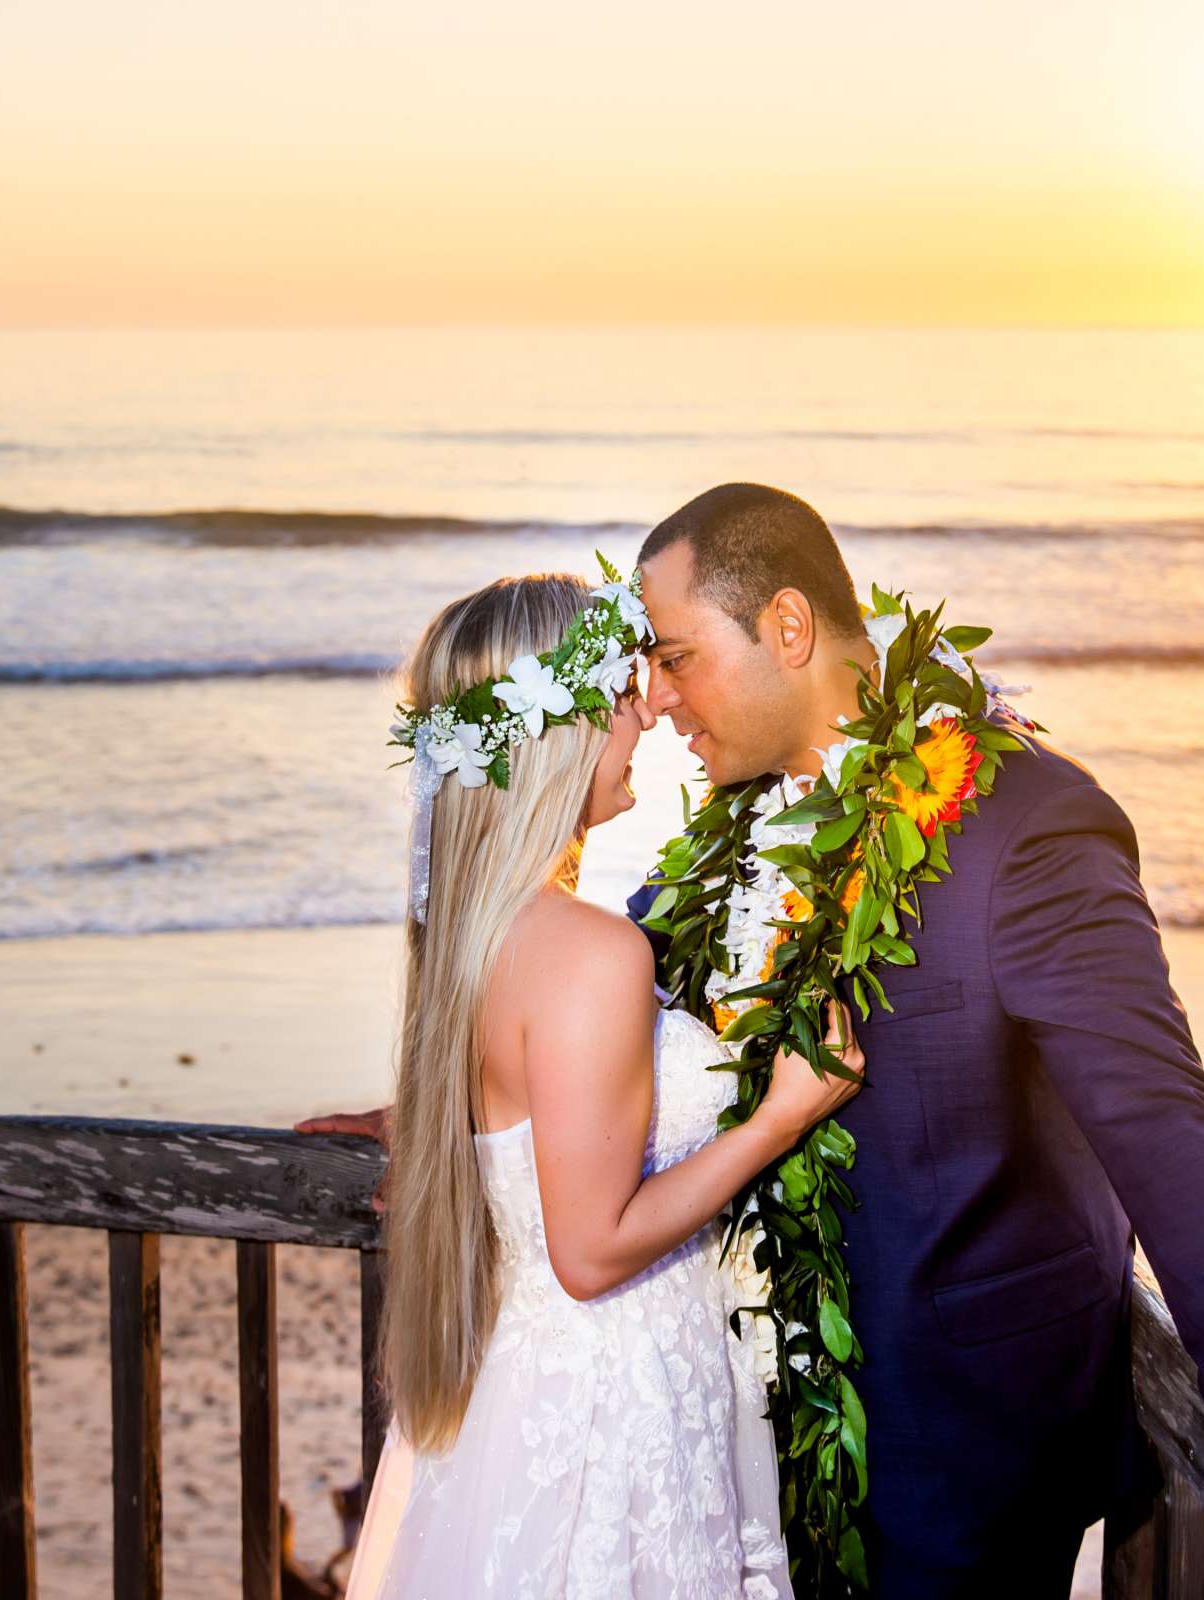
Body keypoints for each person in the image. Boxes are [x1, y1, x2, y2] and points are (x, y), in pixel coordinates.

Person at [623, 483, 1204, 1600]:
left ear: (786, 627)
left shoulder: (1026, 825)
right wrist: (479, 1104)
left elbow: (1160, 1112)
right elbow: (627, 1000)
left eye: (678, 656)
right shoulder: (739, 824)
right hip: (752, 1435)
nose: (661, 695)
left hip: (955, 1455)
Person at [328, 570, 863, 1600]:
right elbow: (589, 1249)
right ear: (554, 731)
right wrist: (785, 1115)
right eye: (623, 691)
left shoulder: (469, 932)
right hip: (613, 1399)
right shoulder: (590, 953)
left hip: (515, 1388)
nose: (651, 708)